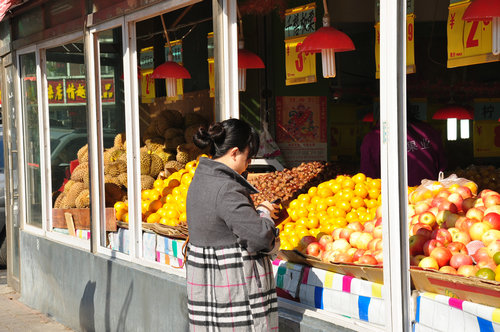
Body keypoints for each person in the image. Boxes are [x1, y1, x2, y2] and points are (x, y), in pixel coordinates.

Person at [186, 118, 280, 331]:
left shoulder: (200, 179)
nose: (248, 164)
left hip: (209, 288)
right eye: (249, 157)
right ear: (235, 152)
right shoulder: (227, 188)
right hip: (230, 291)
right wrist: (264, 214)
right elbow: (259, 238)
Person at [360, 112, 447, 187]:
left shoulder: (374, 137)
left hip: (394, 199)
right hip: (428, 196)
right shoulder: (428, 131)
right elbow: (442, 168)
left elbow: (368, 178)